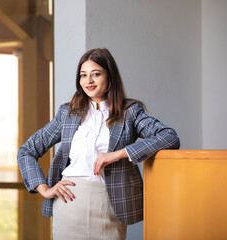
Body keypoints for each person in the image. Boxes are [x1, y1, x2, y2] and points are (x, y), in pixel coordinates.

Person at [17, 48, 180, 239]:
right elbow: (27, 151)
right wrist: (43, 188)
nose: (89, 81)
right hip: (69, 203)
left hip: (110, 205)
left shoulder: (130, 112)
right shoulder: (67, 114)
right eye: (83, 75)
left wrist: (119, 154)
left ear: (110, 76)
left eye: (96, 74)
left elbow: (169, 137)